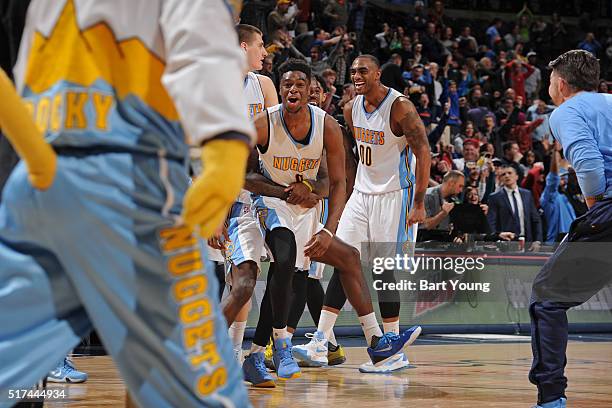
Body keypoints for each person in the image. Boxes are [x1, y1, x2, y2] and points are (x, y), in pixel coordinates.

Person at [0, 1, 253, 407]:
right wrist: (226, 146)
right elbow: (203, 41)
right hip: (131, 180)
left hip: (35, 178)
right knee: (195, 389)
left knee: (10, 369)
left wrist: (32, 151)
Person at [245, 59, 421, 381]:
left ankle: (375, 342)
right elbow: (244, 175)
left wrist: (323, 216)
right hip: (272, 205)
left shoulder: (327, 125)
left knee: (349, 259)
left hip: (316, 210)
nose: (293, 90)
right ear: (280, 88)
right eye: (287, 84)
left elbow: (337, 182)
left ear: (312, 90)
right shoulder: (264, 123)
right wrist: (284, 192)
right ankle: (277, 344)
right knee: (288, 267)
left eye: (301, 85)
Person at [293, 54, 430, 373]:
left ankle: (393, 344)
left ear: (378, 74)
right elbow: (357, 159)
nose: (356, 75)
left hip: (396, 194)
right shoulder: (349, 108)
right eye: (352, 71)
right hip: (363, 194)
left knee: (383, 269)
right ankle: (320, 341)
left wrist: (420, 201)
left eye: (363, 71)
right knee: (343, 260)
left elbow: (423, 151)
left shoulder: (400, 107)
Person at [529, 50, 612, 408]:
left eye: (549, 82)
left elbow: (590, 166)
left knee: (546, 298)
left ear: (560, 84)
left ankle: (551, 397)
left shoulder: (565, 111)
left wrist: (595, 205)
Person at [206, 24, 279, 366]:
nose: (265, 52)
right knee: (223, 280)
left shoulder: (263, 85)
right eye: (260, 44)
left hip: (251, 196)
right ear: (241, 46)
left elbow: (275, 142)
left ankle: (233, 357)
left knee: (243, 277)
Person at [487, 166, 542, 249]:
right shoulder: (495, 197)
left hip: (527, 243)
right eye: (503, 174)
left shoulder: (527, 194)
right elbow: (491, 222)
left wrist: (537, 241)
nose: (507, 176)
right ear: (501, 179)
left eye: (509, 173)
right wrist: (495, 238)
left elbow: (535, 219)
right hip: (505, 244)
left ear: (517, 176)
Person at [540, 142, 576, 244]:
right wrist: (555, 152)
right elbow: (553, 177)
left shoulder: (567, 197)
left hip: (569, 244)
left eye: (565, 177)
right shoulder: (549, 196)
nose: (564, 180)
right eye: (562, 177)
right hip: (554, 246)